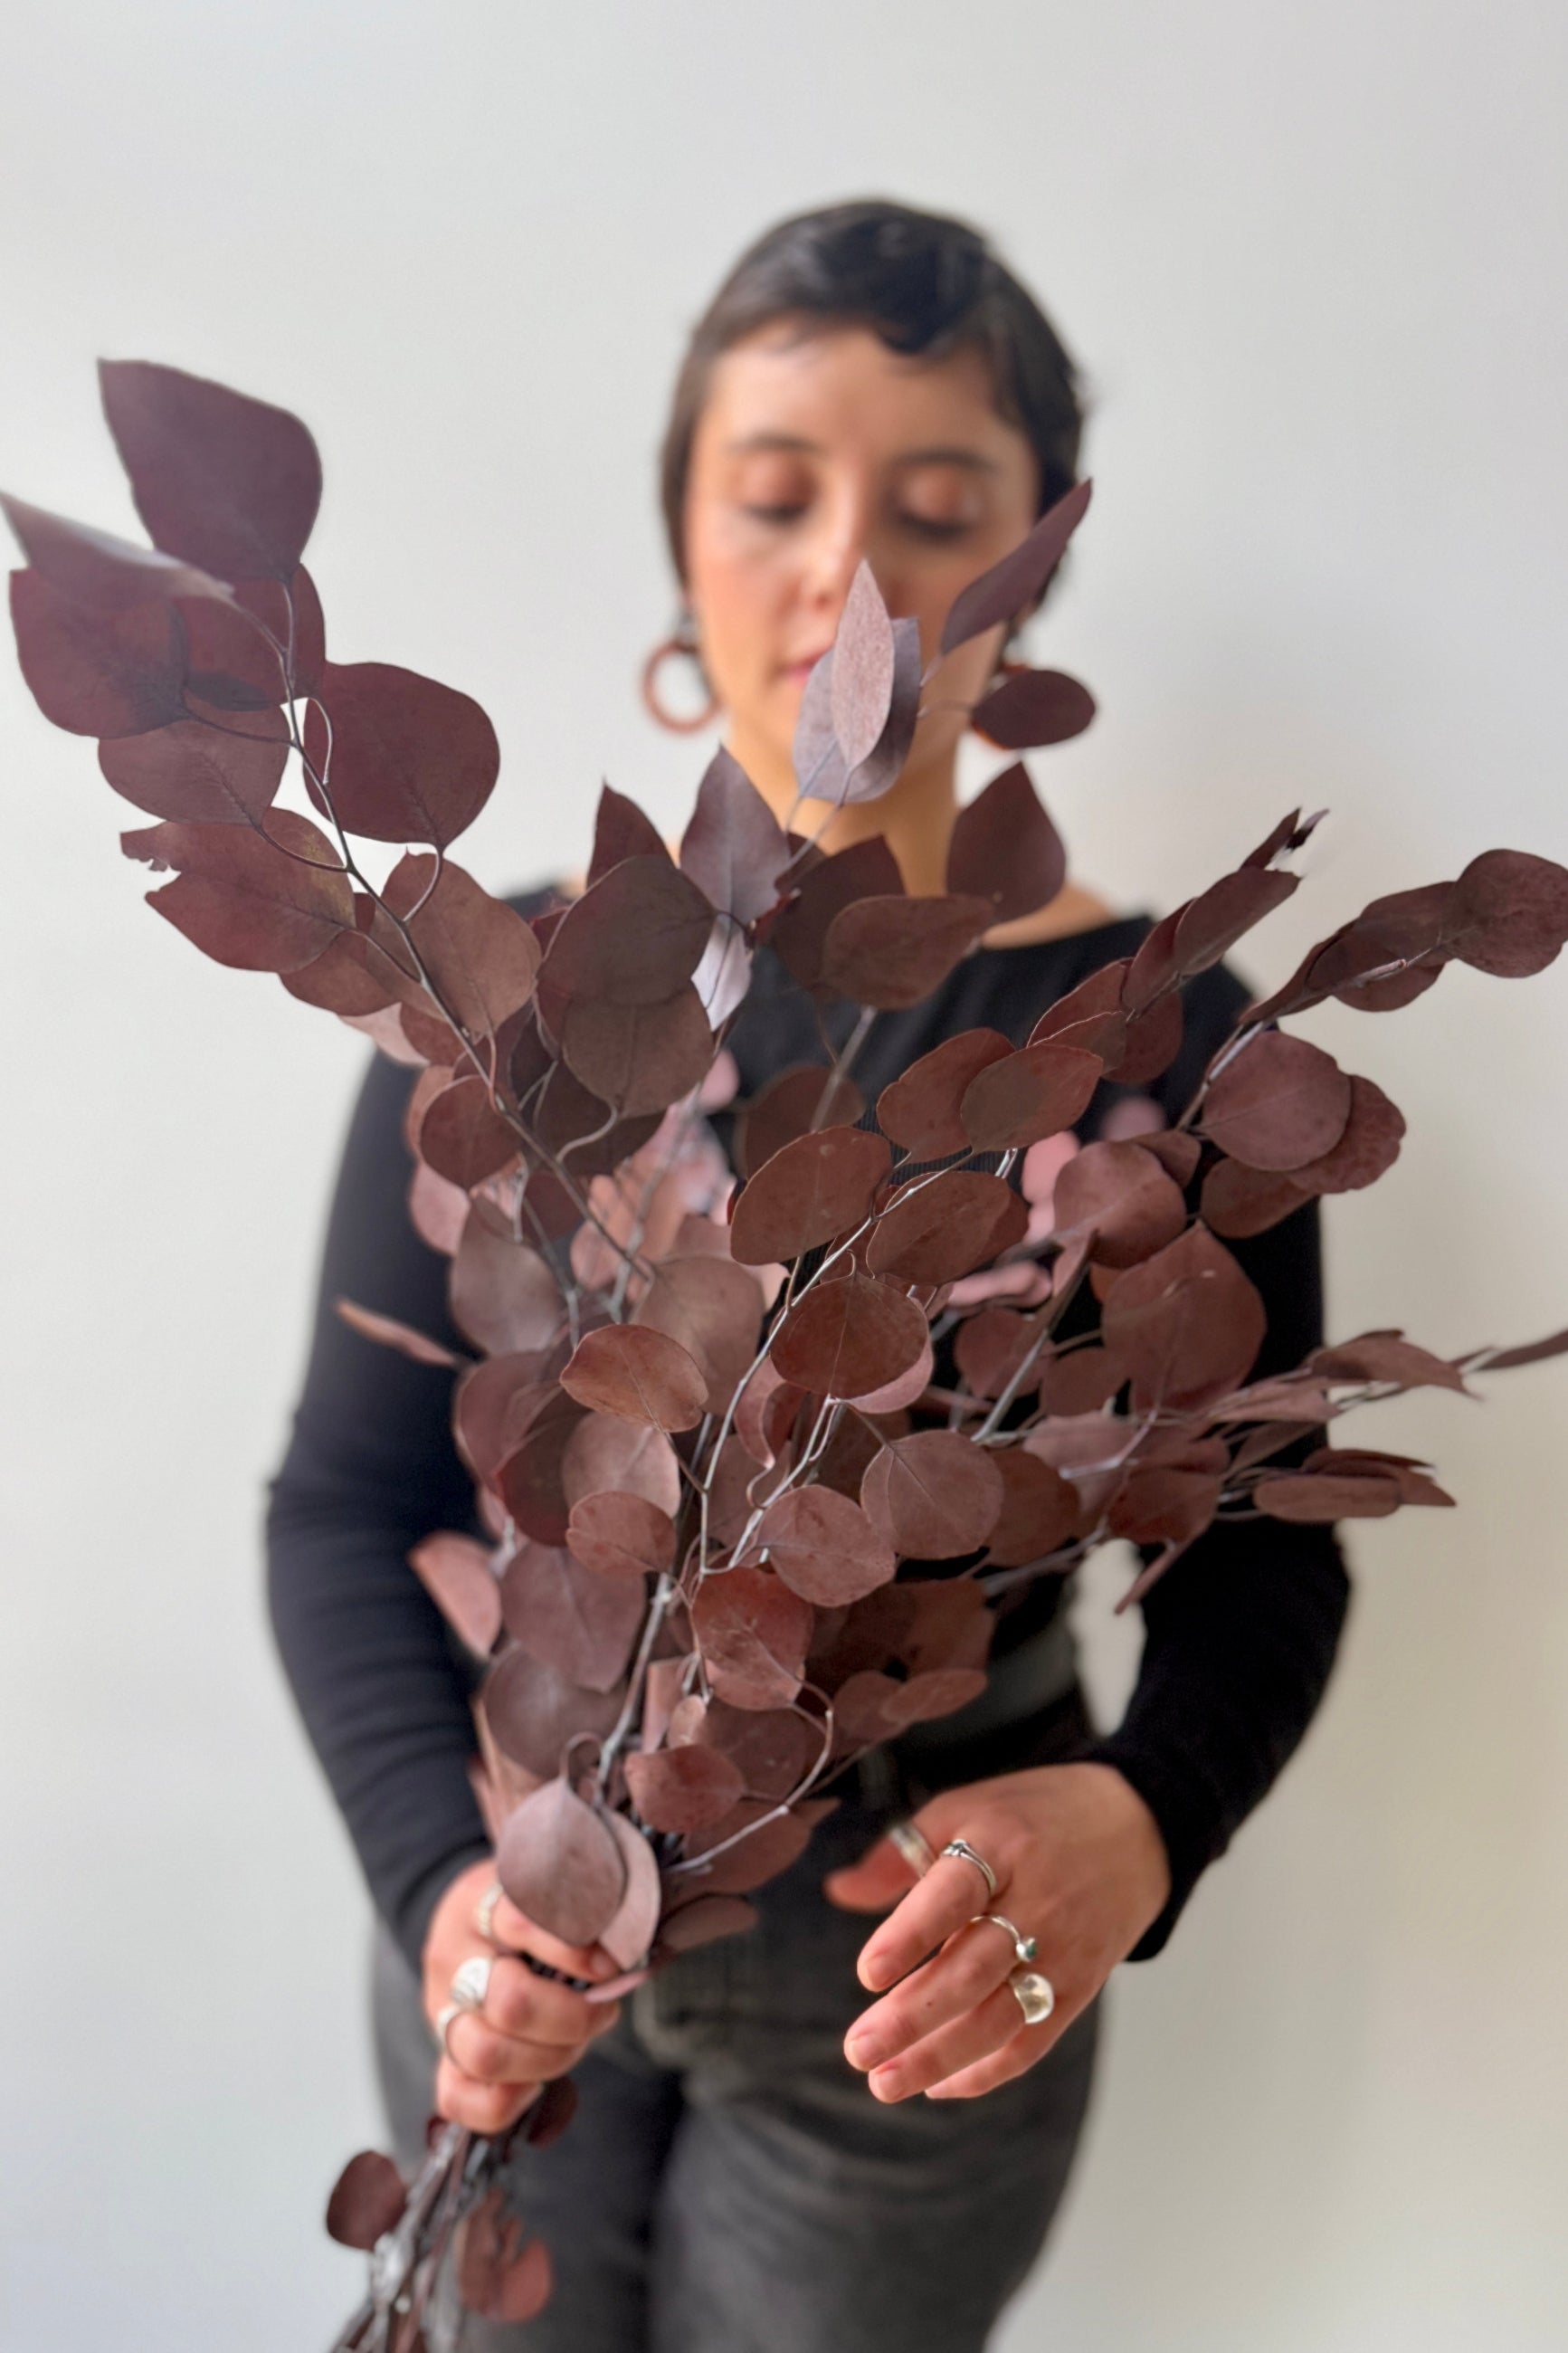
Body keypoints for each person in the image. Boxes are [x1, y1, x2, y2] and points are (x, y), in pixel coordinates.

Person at [267, 199, 1350, 2351]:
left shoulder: (1171, 1045)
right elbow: (342, 1504)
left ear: (1032, 573)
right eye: (776, 496)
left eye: (938, 510)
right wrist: (443, 1894)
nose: (851, 574)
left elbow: (1261, 1548)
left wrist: (1145, 1817)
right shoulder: (503, 997)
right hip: (524, 1939)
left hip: (918, 1972)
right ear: (685, 546)